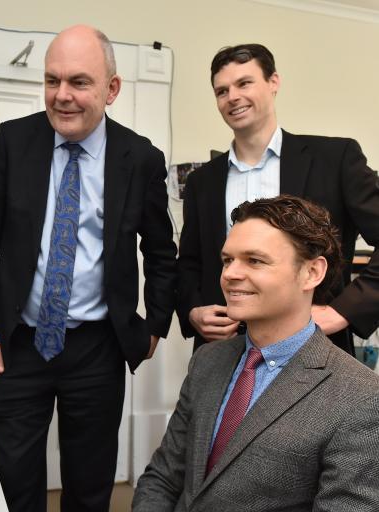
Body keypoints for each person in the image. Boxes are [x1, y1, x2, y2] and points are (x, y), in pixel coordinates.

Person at [0, 24, 177, 512]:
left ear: (111, 89)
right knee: (14, 483)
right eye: (51, 80)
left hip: (97, 351)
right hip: (15, 347)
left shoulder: (140, 158)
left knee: (89, 485)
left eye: (79, 82)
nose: (62, 96)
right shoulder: (12, 141)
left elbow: (163, 254)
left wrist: (154, 327)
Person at [133, 195, 379, 512]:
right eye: (227, 260)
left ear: (312, 273)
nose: (231, 274)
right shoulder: (207, 361)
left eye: (255, 261)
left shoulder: (359, 396)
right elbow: (163, 478)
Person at [177, 43, 379, 353]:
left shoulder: (335, 159)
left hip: (313, 347)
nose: (233, 97)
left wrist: (343, 312)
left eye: (244, 83)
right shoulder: (201, 182)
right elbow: (190, 262)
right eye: (222, 91)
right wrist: (194, 310)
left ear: (274, 83)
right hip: (223, 350)